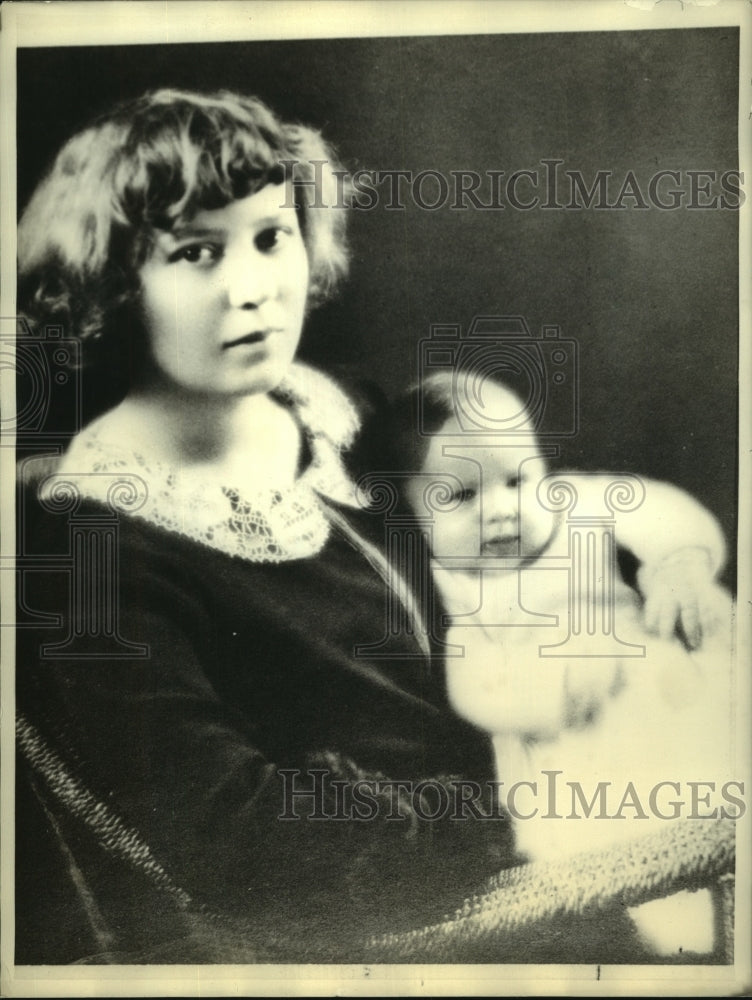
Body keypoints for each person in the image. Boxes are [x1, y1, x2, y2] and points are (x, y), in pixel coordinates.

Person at [15, 89, 518, 965]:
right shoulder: (98, 555)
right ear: (115, 284)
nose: (252, 290)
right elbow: (239, 838)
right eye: (196, 252)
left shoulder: (341, 413)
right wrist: (504, 816)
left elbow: (518, 544)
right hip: (394, 930)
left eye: (271, 237)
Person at [391, 371, 737, 954]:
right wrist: (549, 692)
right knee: (626, 855)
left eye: (516, 479)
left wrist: (679, 564)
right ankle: (686, 938)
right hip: (570, 746)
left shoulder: (571, 503)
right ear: (411, 518)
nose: (500, 510)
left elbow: (663, 510)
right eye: (461, 496)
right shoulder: (448, 589)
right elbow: (472, 684)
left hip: (662, 684)